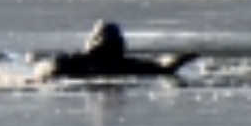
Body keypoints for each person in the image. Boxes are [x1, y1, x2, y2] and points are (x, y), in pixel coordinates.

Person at [36, 20, 196, 80]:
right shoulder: (71, 62)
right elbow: (47, 67)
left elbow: (162, 68)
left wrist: (180, 59)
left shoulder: (127, 66)